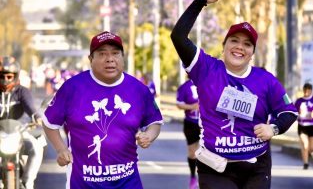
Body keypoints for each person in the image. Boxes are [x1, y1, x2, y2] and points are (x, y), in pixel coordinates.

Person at [171, 0, 298, 189]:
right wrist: (201, 1)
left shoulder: (265, 80)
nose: (240, 47)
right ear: (224, 46)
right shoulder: (206, 69)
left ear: (252, 53)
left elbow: (288, 112)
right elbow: (178, 36)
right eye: (234, 41)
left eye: (247, 44)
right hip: (215, 166)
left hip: (256, 166)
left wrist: (273, 128)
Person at [42, 31, 163, 188]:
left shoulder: (139, 89)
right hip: (83, 183)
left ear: (122, 57)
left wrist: (149, 136)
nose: (110, 59)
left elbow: (155, 121)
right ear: (91, 59)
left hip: (128, 182)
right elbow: (49, 123)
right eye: (102, 54)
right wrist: (61, 149)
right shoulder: (72, 88)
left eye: (115, 53)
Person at [0, 56, 44, 189]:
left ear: (15, 76)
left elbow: (31, 107)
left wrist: (38, 117)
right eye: (2, 76)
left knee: (36, 148)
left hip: (19, 132)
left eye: (9, 76)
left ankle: (27, 181)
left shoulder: (22, 92)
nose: (6, 79)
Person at [176, 77, 200, 189]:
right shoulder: (184, 87)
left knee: (209, 151)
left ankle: (206, 176)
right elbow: (179, 104)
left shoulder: (208, 82)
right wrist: (192, 107)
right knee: (192, 152)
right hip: (191, 123)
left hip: (207, 124)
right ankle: (193, 177)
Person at [294, 83, 313, 170]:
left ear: (311, 90)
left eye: (308, 90)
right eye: (305, 90)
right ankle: (306, 163)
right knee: (305, 145)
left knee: (312, 147)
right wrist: (298, 113)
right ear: (303, 90)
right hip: (302, 125)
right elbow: (294, 112)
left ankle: (311, 152)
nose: (306, 92)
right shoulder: (299, 101)